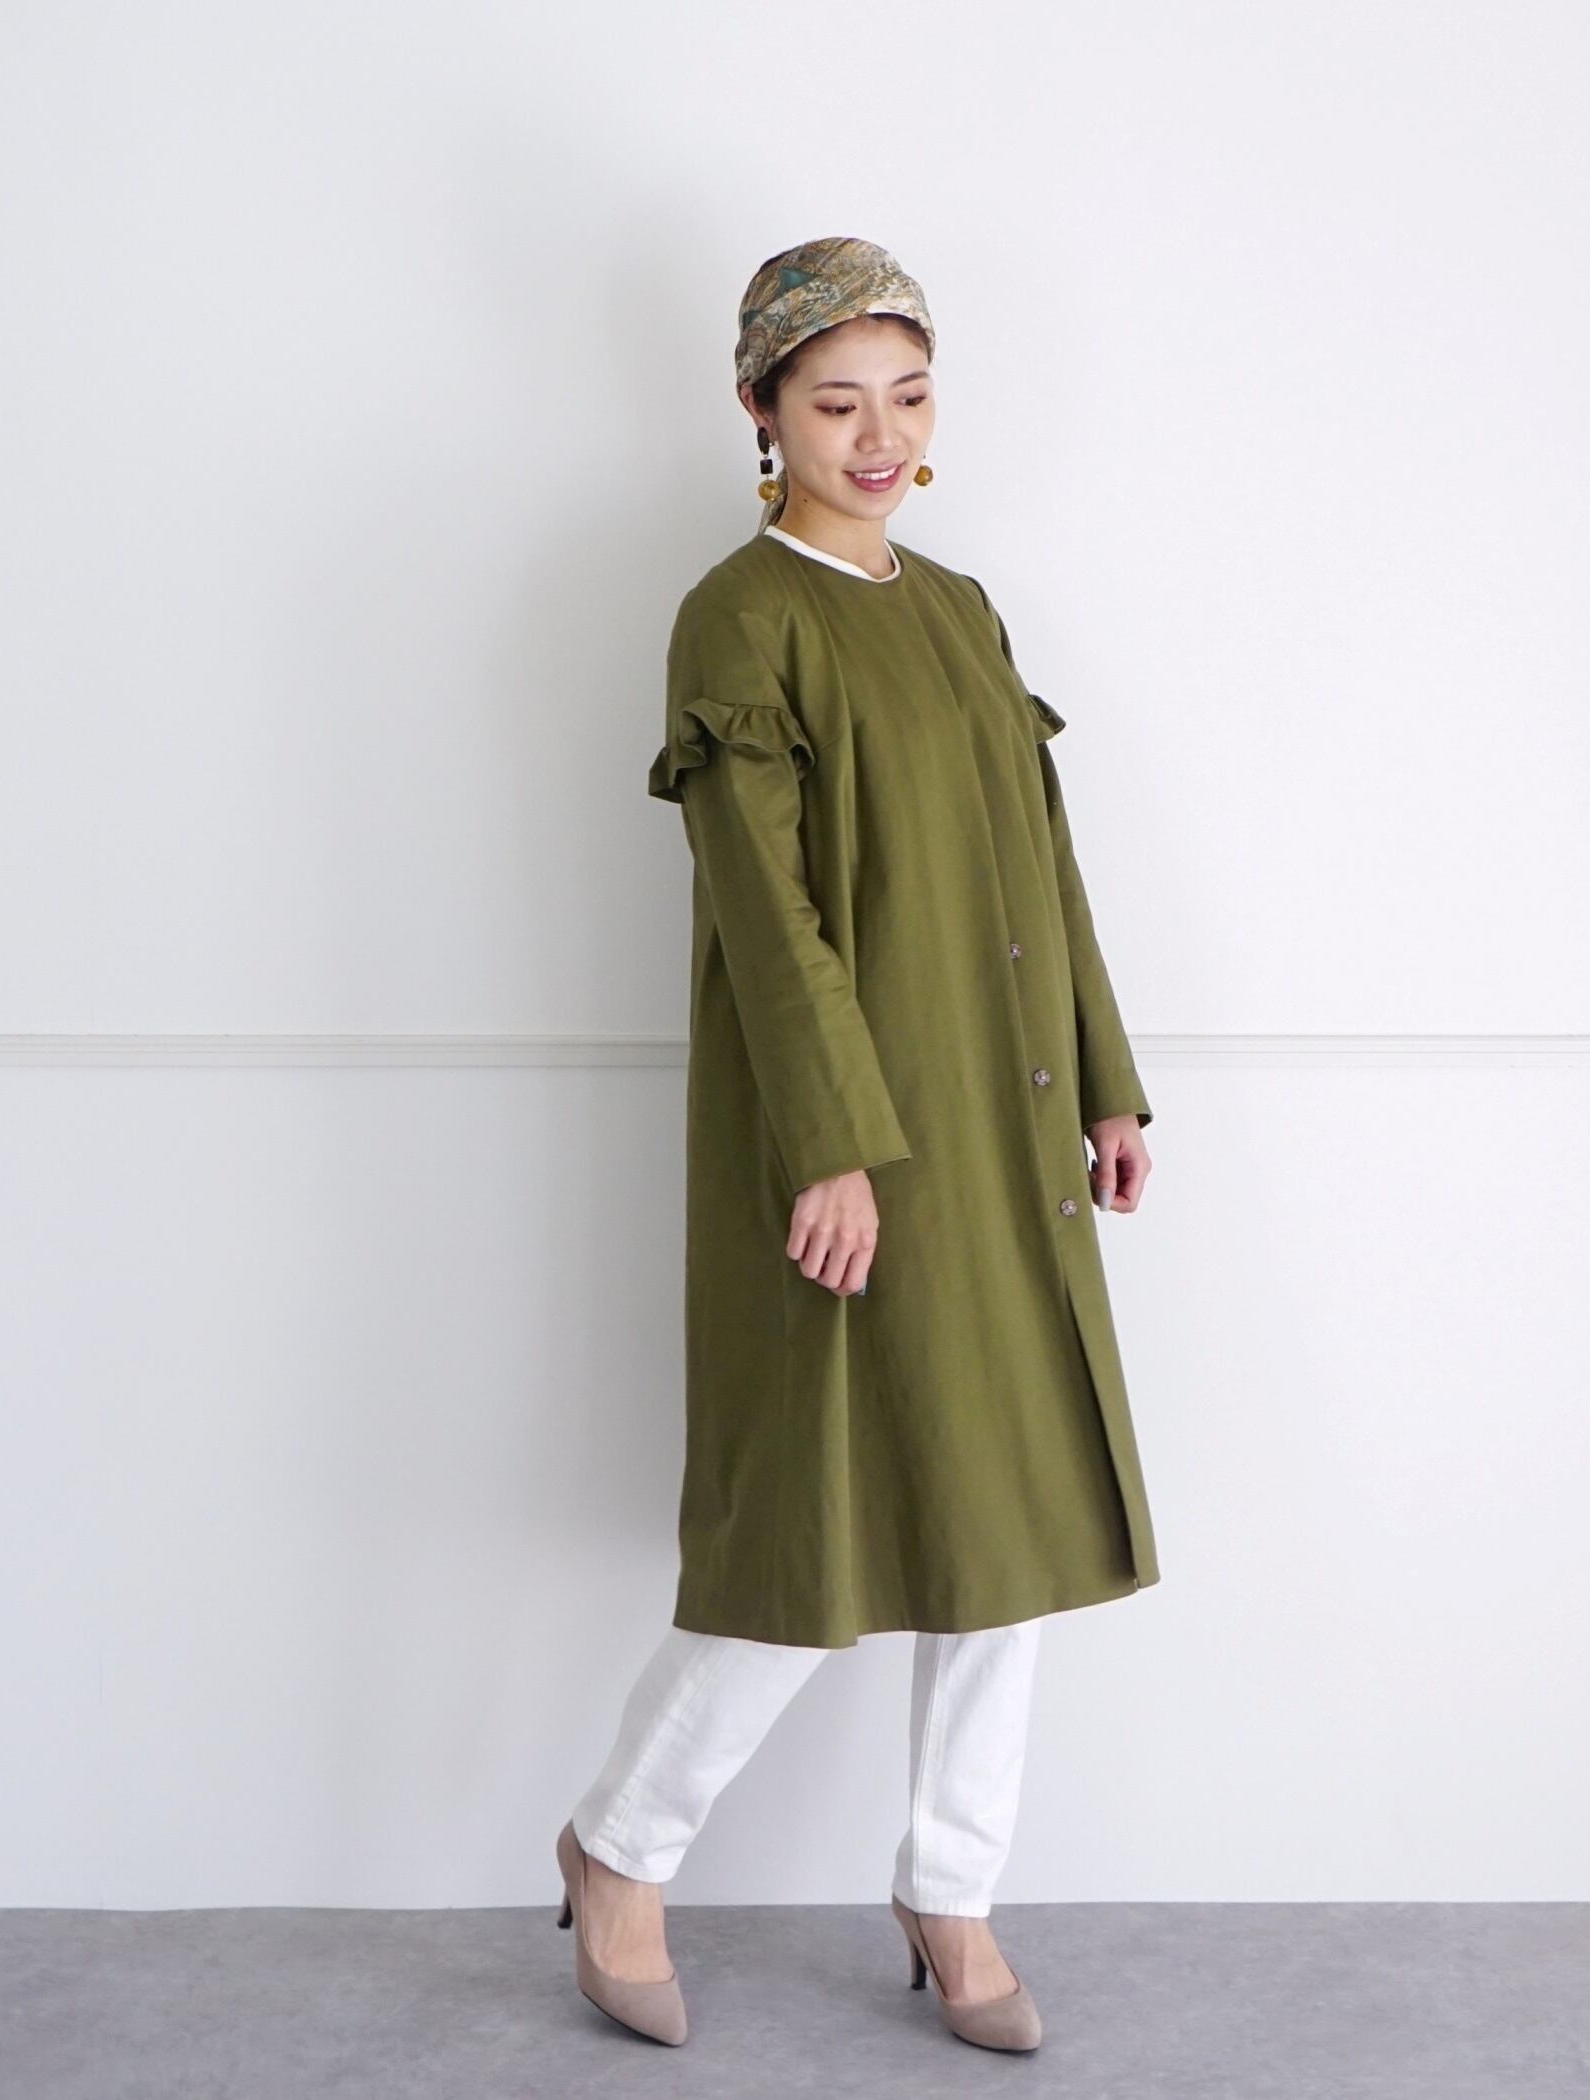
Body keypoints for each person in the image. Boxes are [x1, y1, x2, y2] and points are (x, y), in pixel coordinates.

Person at [554, 236, 1161, 2055]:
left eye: (907, 396)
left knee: (1009, 1530)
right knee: (805, 1541)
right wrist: (834, 1149)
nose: (878, 436)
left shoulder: (963, 611)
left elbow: (1044, 870)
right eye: (836, 403)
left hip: (1006, 1126)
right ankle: (620, 1851)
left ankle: (953, 1892)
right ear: (761, 411)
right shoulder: (739, 619)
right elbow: (765, 911)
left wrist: (1107, 1081)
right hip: (855, 1146)